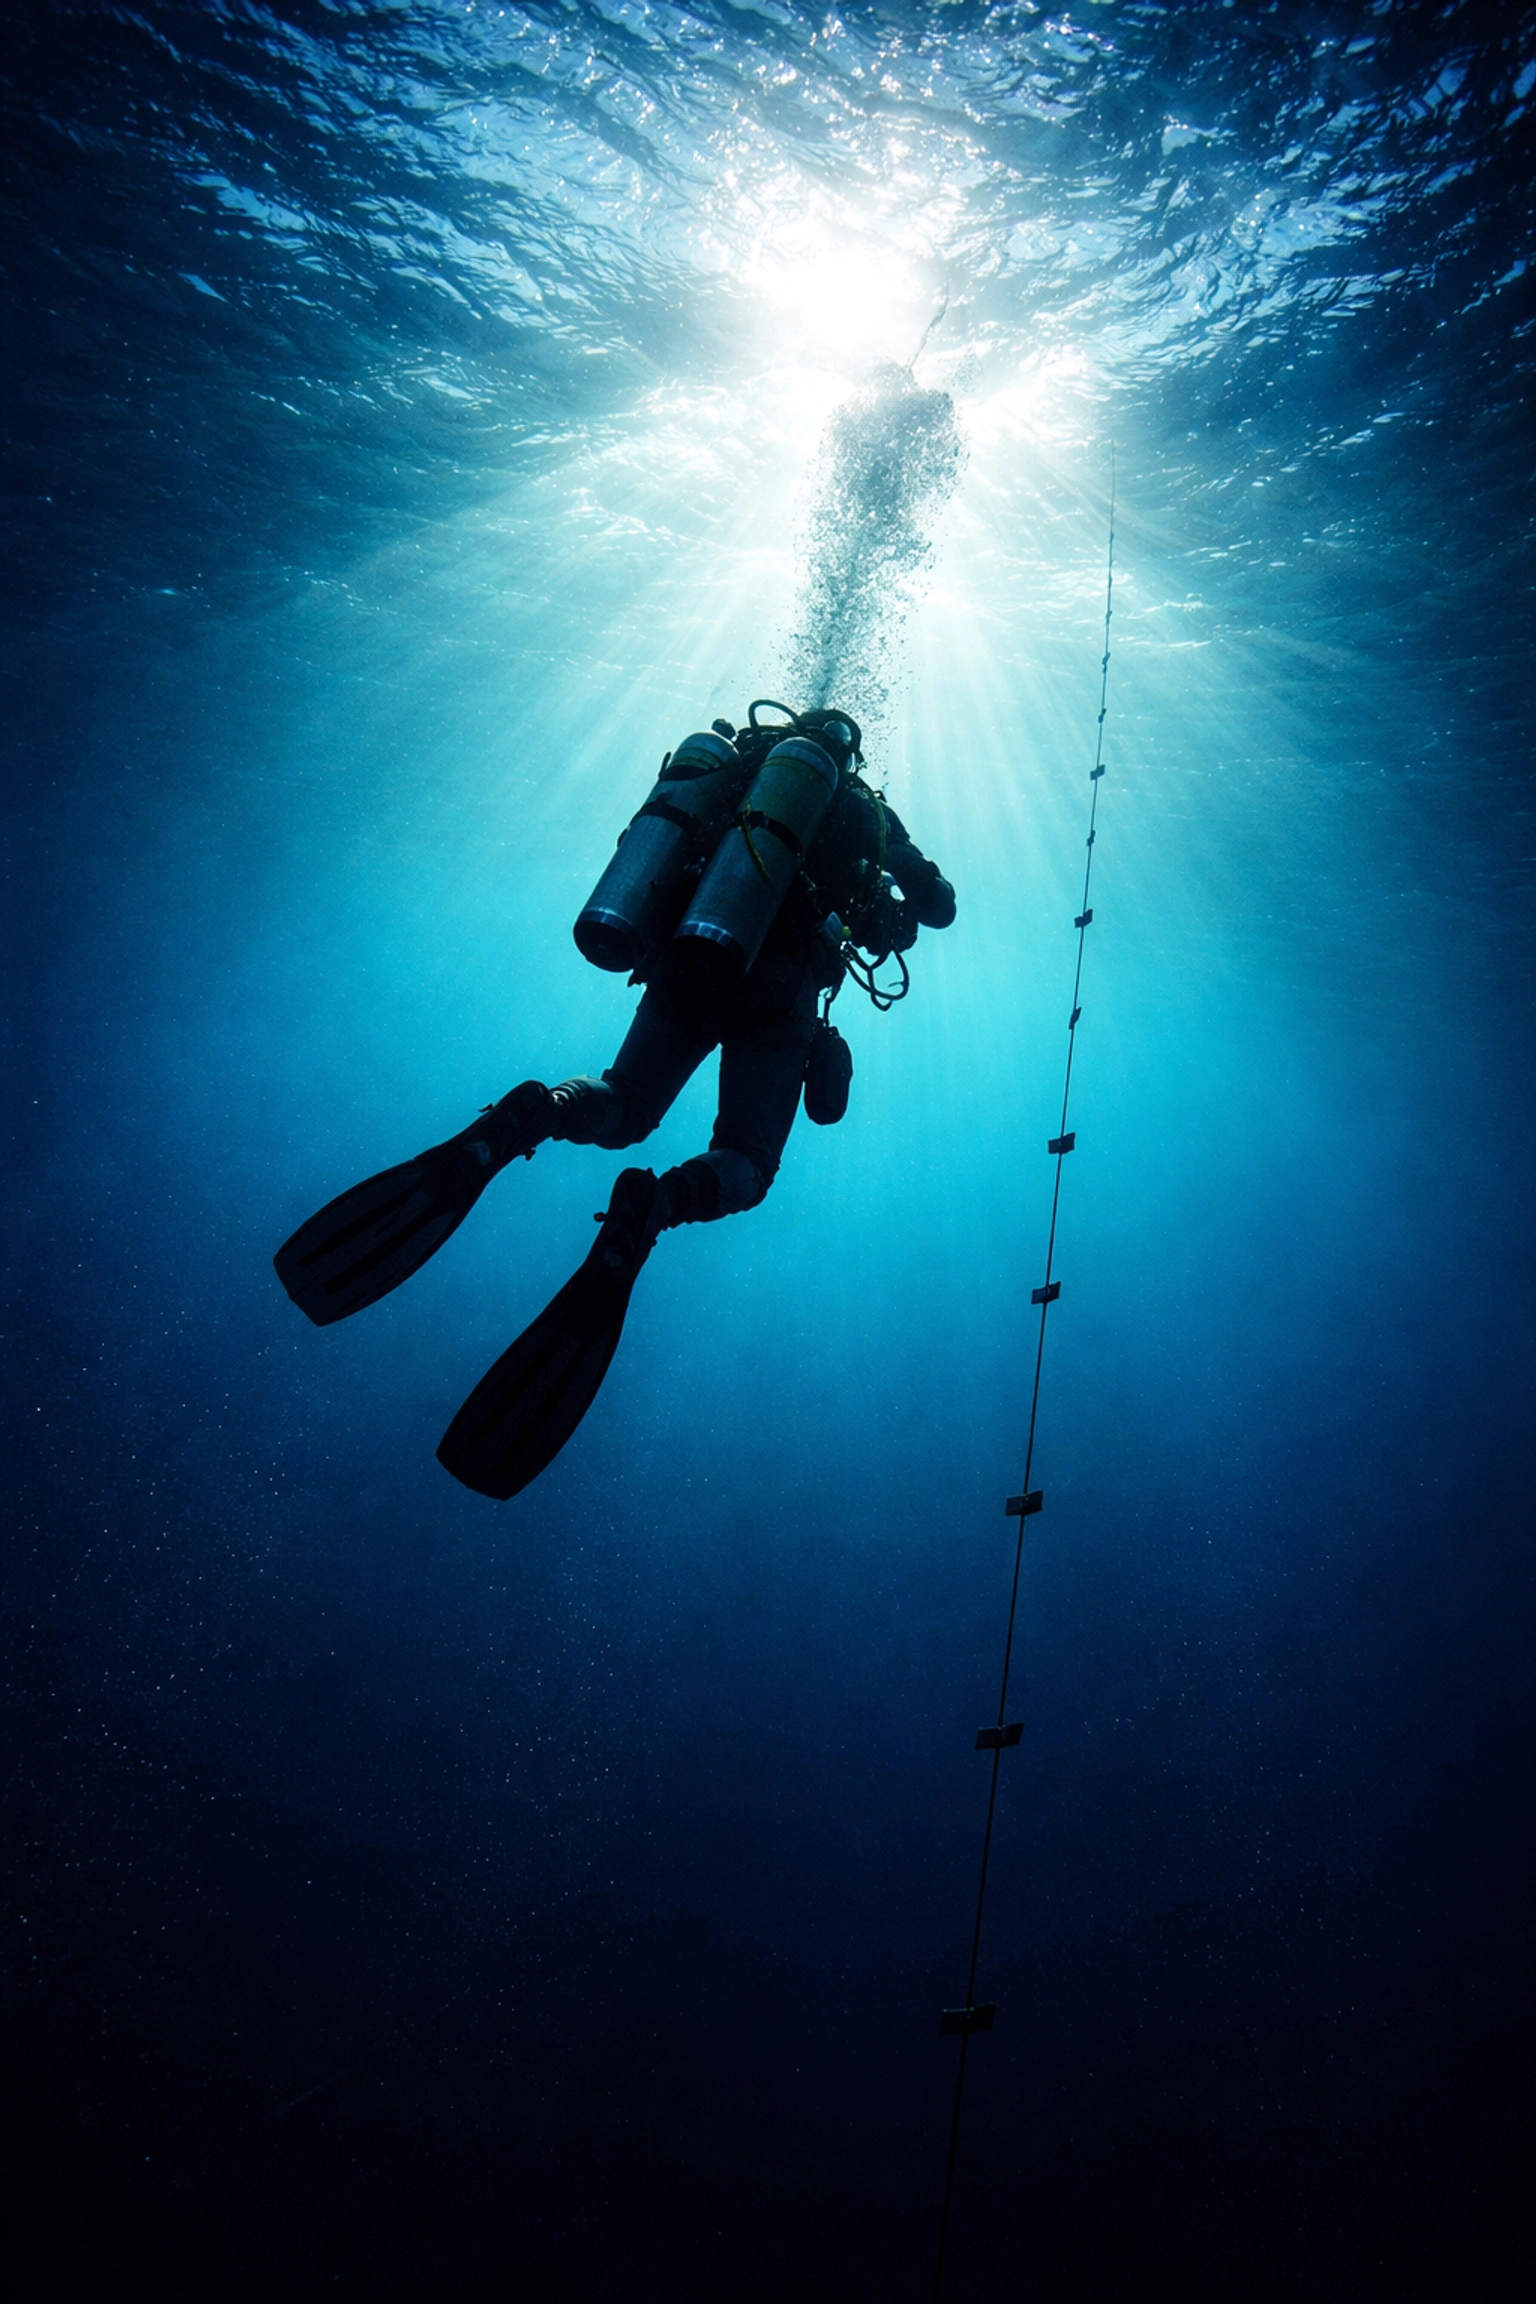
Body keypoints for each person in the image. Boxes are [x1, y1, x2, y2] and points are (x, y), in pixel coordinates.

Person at [274, 702, 954, 1496]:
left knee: (624, 1101)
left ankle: (531, 1114)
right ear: (852, 751)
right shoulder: (867, 811)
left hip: (694, 953)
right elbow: (933, 908)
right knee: (746, 1159)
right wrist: (892, 890)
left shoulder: (731, 774)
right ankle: (656, 1208)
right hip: (783, 984)